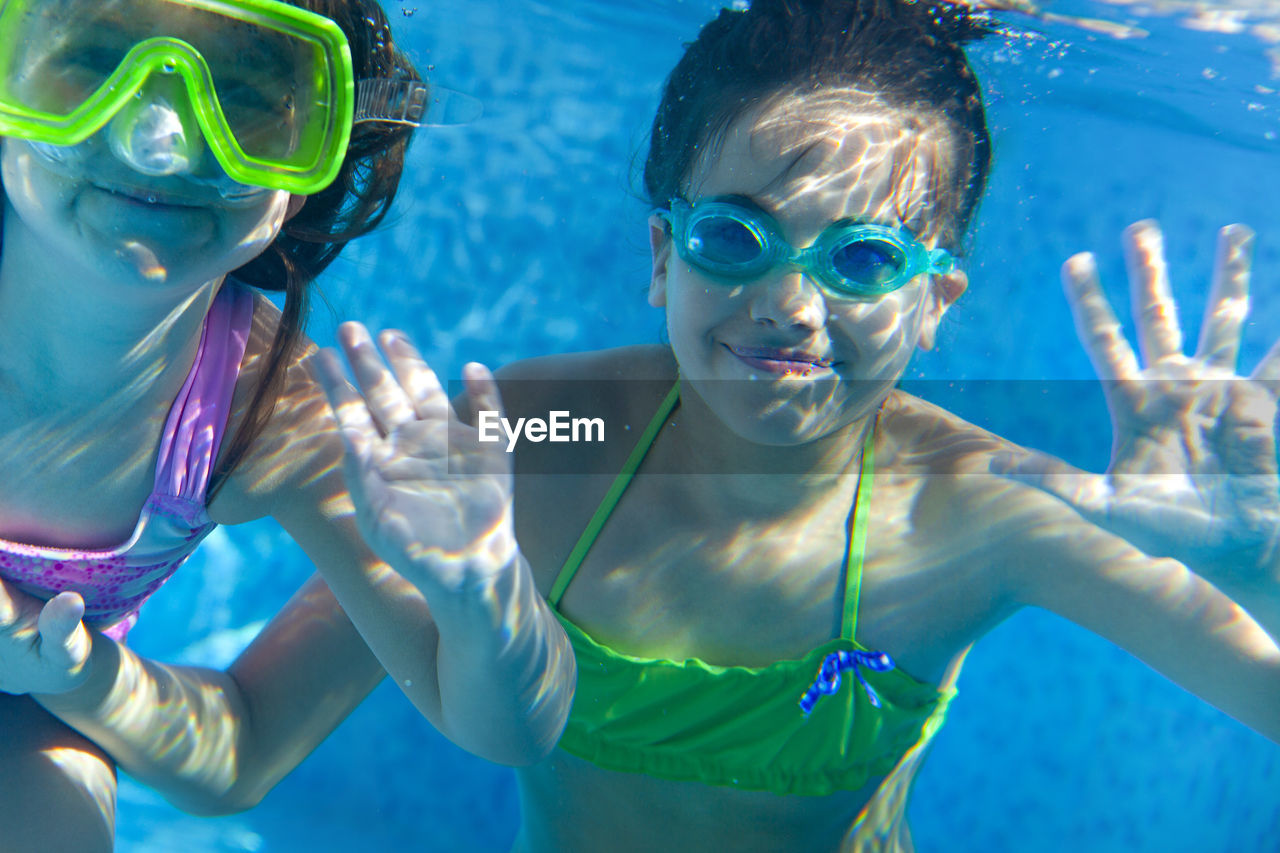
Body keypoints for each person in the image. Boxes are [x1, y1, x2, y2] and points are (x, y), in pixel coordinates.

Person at [315, 0, 1280, 850]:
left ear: (934, 301)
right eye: (735, 238)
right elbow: (375, 495)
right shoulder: (557, 426)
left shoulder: (976, 510)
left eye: (862, 260)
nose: (790, 304)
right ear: (664, 256)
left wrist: (1256, 567)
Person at [0, 2, 572, 851]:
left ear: (321, 151)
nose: (160, 141)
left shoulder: (269, 413)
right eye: (93, 60)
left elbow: (505, 730)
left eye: (243, 95)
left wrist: (481, 586)